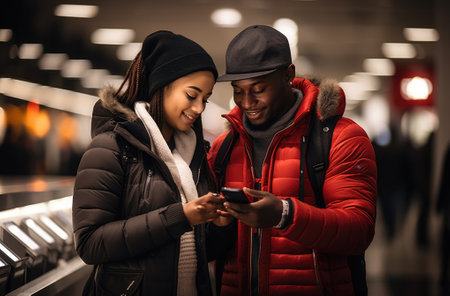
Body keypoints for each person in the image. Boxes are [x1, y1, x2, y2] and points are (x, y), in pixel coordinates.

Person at [208, 25, 377, 295]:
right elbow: (211, 248)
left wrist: (285, 215)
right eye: (238, 91)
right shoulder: (225, 146)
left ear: (288, 75)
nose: (246, 102)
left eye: (258, 89)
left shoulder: (340, 137)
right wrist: (216, 225)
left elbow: (358, 230)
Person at [72, 30, 226, 295]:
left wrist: (220, 226)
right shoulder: (110, 148)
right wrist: (181, 216)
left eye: (205, 99)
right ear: (161, 86)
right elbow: (90, 243)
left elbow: (194, 251)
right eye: (191, 95)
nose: (200, 108)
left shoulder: (192, 156)